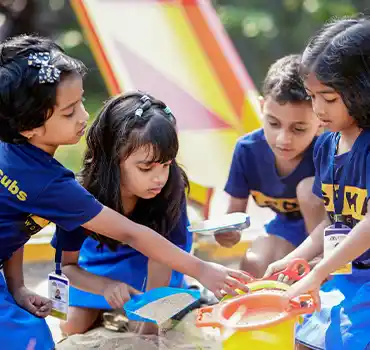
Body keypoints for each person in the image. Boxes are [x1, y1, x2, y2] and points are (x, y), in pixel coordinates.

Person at [0, 35, 249, 350]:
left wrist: (18, 287)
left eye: (80, 103)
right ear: (28, 127)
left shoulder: (11, 149)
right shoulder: (57, 188)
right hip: (100, 272)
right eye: (68, 112)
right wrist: (202, 269)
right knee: (34, 340)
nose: (83, 117)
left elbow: (13, 228)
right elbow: (129, 235)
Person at [264, 17, 370, 350]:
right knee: (301, 339)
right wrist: (296, 257)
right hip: (346, 272)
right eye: (312, 97)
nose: (318, 109)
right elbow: (332, 220)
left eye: (329, 98)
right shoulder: (326, 145)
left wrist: (317, 273)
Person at [51, 91, 195, 335]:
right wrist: (106, 286)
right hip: (97, 264)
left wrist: (148, 324)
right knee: (70, 325)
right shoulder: (80, 195)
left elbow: (163, 256)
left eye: (167, 164)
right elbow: (66, 267)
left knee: (149, 321)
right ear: (113, 160)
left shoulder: (170, 187)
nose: (159, 177)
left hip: (153, 264)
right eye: (146, 167)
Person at [215, 54, 322, 278]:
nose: (283, 139)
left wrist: (318, 259)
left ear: (320, 120)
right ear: (262, 107)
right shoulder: (247, 150)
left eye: (298, 129)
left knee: (308, 190)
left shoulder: (327, 150)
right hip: (287, 226)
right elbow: (234, 214)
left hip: (327, 229)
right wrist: (228, 232)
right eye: (273, 123)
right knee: (253, 265)